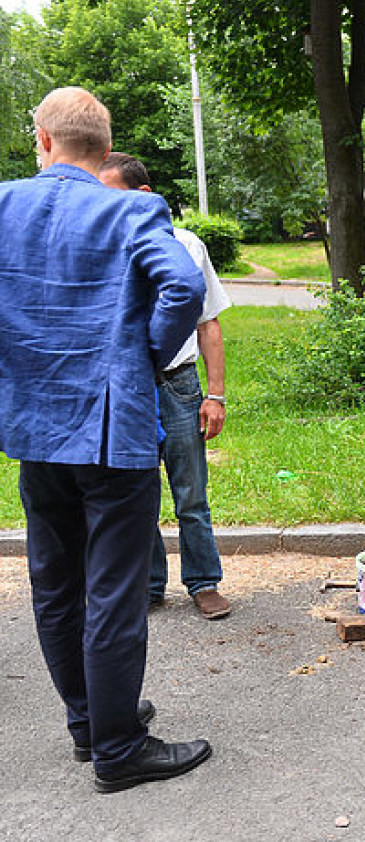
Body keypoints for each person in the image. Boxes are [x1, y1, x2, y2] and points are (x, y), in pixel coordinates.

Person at [0, 87, 213, 792]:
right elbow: (182, 286)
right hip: (111, 429)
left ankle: (91, 722)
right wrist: (144, 357)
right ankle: (119, 748)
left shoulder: (5, 205)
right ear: (104, 144)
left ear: (43, 139)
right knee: (114, 591)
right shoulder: (131, 207)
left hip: (35, 427)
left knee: (56, 583)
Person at [99, 152, 232, 620]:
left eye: (112, 197)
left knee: (191, 492)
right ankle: (149, 585)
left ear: (144, 197)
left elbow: (208, 324)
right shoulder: (103, 248)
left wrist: (214, 395)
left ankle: (203, 582)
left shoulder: (186, 245)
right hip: (127, 388)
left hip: (178, 386)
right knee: (137, 493)